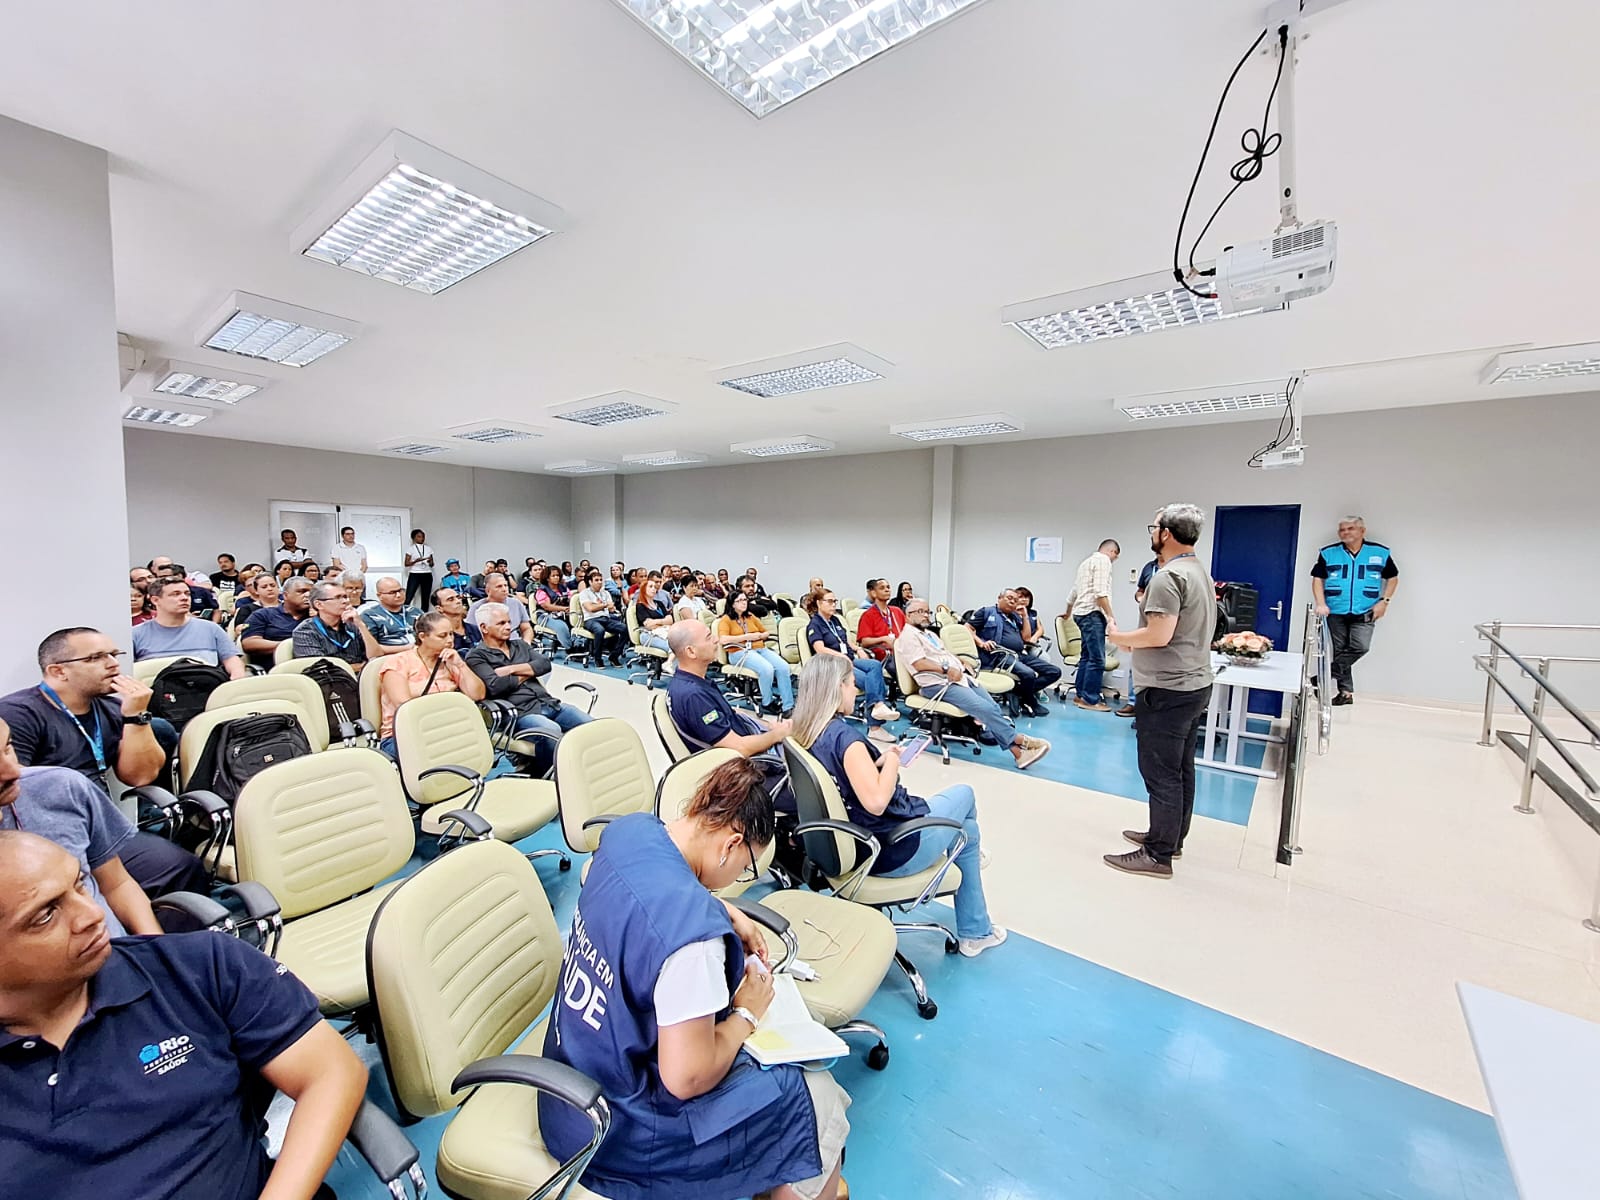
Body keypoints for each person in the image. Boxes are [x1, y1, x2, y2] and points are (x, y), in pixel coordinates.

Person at [540, 757, 849, 1200]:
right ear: (732, 843)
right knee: (814, 1094)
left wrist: (725, 910)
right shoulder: (692, 942)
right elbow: (686, 1078)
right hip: (610, 1131)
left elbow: (648, 889)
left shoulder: (630, 831)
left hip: (568, 1079)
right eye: (744, 868)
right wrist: (746, 1012)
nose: (736, 880)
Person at [0, 831, 368, 1200]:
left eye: (81, 884)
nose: (93, 914)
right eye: (46, 915)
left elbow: (332, 1071)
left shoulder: (198, 968)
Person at [792, 655, 1006, 958]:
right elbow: (877, 802)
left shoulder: (808, 733)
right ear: (837, 688)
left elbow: (845, 776)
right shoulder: (846, 739)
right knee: (965, 795)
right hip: (891, 848)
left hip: (852, 842)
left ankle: (976, 926)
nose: (857, 691)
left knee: (967, 831)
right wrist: (892, 758)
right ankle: (974, 930)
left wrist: (873, 761)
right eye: (853, 685)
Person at [0, 629, 204, 897]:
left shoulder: (109, 708)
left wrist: (136, 717)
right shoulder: (19, 713)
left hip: (99, 824)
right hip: (47, 831)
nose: (113, 663)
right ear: (59, 671)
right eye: (96, 657)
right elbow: (18, 797)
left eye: (113, 654)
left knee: (183, 866)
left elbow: (139, 776)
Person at [1104, 504, 1216, 879]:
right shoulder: (1198, 570)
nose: (1152, 532)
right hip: (1194, 684)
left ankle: (1157, 854)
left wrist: (1120, 638)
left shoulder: (1168, 578)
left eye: (1154, 527)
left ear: (1165, 533)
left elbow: (1158, 634)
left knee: (1161, 772)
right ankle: (1170, 837)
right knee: (1181, 767)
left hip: (1168, 689)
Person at [0, 731, 161, 936]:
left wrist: (155, 948)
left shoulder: (61, 787)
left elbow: (117, 884)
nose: (13, 772)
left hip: (119, 954)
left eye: (8, 748)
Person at [895, 600, 1050, 770]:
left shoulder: (928, 634)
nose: (926, 615)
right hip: (937, 684)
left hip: (957, 677)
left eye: (927, 612)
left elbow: (943, 653)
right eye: (920, 611)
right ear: (908, 615)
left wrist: (960, 661)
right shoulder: (908, 637)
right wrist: (946, 669)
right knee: (986, 710)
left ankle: (1019, 755)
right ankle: (1022, 741)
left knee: (992, 707)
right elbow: (919, 664)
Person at [666, 621, 795, 812]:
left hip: (748, 757)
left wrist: (769, 726)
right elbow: (739, 748)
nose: (716, 640)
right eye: (709, 637)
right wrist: (777, 735)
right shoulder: (693, 696)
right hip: (742, 775)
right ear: (691, 652)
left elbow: (734, 714)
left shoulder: (696, 682)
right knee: (818, 792)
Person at [465, 603, 593, 770]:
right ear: (484, 628)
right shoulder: (476, 656)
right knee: (551, 732)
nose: (509, 627)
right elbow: (496, 686)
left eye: (509, 622)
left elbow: (544, 664)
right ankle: (551, 778)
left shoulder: (520, 645)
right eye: (501, 623)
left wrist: (512, 669)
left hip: (549, 703)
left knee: (593, 728)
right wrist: (529, 671)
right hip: (520, 712)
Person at [1311, 515, 1399, 706]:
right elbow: (1318, 579)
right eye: (1342, 530)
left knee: (1360, 647)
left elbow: (1393, 578)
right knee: (1341, 650)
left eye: (1350, 529)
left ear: (1362, 531)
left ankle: (1322, 678)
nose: (1345, 533)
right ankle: (1346, 693)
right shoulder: (1328, 553)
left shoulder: (1379, 552)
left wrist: (1385, 601)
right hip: (1335, 610)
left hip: (1366, 609)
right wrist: (1321, 603)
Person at [375, 612, 485, 756]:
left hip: (448, 730)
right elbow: (405, 707)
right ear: (422, 637)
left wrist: (461, 665)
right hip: (403, 735)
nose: (450, 640)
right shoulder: (398, 662)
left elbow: (478, 695)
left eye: (451, 634)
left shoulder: (450, 660)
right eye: (442, 636)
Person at [804, 588, 896, 743]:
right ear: (819, 603)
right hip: (834, 665)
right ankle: (875, 727)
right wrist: (841, 656)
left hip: (848, 659)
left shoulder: (835, 620)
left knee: (874, 665)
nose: (834, 605)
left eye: (835, 601)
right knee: (868, 679)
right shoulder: (814, 624)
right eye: (830, 601)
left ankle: (878, 705)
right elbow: (819, 649)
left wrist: (858, 649)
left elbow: (845, 642)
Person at [967, 589, 1060, 717]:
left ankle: (1017, 692)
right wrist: (981, 643)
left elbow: (1026, 638)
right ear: (999, 598)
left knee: (1054, 672)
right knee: (1028, 674)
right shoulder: (986, 612)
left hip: (1019, 654)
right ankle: (1030, 701)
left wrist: (1025, 616)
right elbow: (967, 628)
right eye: (1009, 598)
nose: (1013, 601)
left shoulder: (1014, 617)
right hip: (998, 656)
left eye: (1015, 600)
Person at [131, 578, 245, 678]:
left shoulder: (211, 628)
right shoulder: (136, 634)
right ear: (155, 600)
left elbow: (232, 660)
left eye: (187, 593)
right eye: (175, 594)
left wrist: (237, 675)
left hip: (205, 689)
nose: (184, 598)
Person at [717, 590, 795, 716]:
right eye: (740, 601)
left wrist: (760, 635)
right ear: (732, 604)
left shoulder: (750, 616)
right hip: (739, 652)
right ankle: (767, 702)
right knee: (767, 669)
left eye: (745, 600)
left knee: (783, 667)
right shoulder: (726, 620)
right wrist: (746, 637)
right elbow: (723, 639)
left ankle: (788, 705)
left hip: (760, 649)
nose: (744, 603)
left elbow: (766, 632)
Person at [1065, 539, 1121, 712]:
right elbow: (1100, 592)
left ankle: (1080, 695)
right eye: (1115, 557)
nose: (1114, 560)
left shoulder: (1085, 563)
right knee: (1097, 659)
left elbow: (1074, 591)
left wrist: (1067, 612)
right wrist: (1111, 616)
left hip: (1080, 614)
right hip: (1092, 614)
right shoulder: (1103, 561)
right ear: (1112, 552)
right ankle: (1090, 700)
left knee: (1087, 656)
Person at [292, 583, 382, 670]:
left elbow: (376, 656)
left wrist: (361, 625)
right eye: (338, 598)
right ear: (319, 604)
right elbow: (320, 668)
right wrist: (360, 667)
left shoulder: (353, 625)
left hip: (361, 678)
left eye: (345, 597)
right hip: (329, 681)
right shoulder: (305, 631)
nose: (345, 601)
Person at [239, 577, 313, 671]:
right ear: (285, 595)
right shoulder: (263, 615)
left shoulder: (319, 616)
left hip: (314, 667)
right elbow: (249, 643)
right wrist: (288, 645)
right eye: (302, 591)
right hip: (276, 670)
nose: (308, 595)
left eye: (312, 592)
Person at [577, 568, 629, 666]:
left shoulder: (605, 593)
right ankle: (598, 658)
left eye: (601, 580)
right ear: (590, 582)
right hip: (591, 620)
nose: (599, 582)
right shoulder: (584, 593)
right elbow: (590, 608)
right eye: (596, 580)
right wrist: (604, 605)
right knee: (599, 630)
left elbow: (612, 608)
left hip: (605, 618)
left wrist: (602, 606)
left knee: (624, 629)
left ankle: (614, 656)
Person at [359, 577, 422, 656]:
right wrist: (408, 648)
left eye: (400, 590)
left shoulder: (415, 611)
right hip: (389, 658)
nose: (398, 595)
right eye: (392, 592)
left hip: (420, 656)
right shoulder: (369, 616)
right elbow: (371, 647)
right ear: (379, 596)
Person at [855, 577, 905, 664]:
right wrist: (883, 639)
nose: (887, 590)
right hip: (886, 655)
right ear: (874, 593)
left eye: (888, 587)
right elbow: (864, 642)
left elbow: (907, 631)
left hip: (902, 651)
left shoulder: (897, 611)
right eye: (882, 588)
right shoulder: (868, 615)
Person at [532, 564, 574, 652]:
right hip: (545, 616)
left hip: (564, 614)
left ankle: (579, 645)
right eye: (553, 576)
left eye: (558, 575)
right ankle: (570, 648)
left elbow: (571, 599)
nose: (556, 577)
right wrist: (563, 609)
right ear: (547, 578)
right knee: (561, 626)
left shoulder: (563, 588)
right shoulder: (542, 590)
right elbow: (547, 606)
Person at [431, 585, 482, 653]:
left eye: (458, 597)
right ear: (439, 608)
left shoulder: (476, 629)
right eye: (451, 599)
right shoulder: (439, 636)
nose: (458, 601)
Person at [634, 572, 676, 654]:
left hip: (664, 631)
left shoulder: (659, 603)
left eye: (654, 587)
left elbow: (670, 620)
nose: (654, 588)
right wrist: (664, 622)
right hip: (648, 634)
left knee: (681, 643)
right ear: (643, 589)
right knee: (671, 646)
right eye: (650, 587)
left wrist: (657, 622)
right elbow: (649, 625)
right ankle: (669, 665)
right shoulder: (640, 606)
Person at [402, 528, 434, 608]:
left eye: (423, 537)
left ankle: (424, 616)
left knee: (426, 597)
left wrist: (430, 561)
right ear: (414, 538)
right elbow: (406, 563)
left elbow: (432, 564)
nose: (422, 538)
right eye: (419, 536)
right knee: (409, 595)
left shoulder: (428, 548)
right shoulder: (411, 549)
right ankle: (403, 613)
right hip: (415, 574)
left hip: (427, 574)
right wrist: (415, 561)